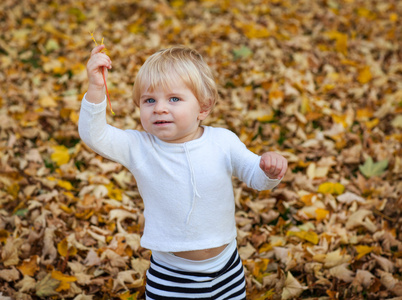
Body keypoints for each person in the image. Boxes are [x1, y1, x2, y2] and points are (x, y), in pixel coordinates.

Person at [79, 44, 288, 299]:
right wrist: (96, 89)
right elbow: (94, 135)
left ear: (203, 107)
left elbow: (255, 177)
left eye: (174, 99)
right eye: (149, 100)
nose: (159, 108)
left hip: (226, 270)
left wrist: (269, 170)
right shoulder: (140, 147)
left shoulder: (223, 142)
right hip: (171, 275)